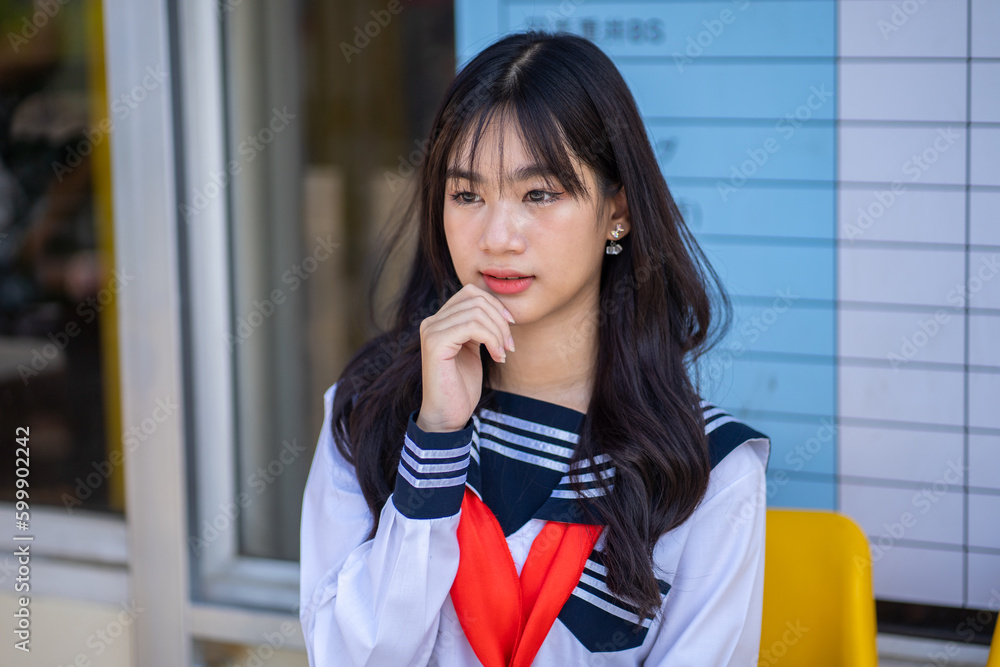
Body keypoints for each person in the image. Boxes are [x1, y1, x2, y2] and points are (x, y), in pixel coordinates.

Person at [299, 29, 771, 666]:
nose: (497, 235)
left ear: (618, 213)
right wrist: (435, 439)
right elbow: (349, 658)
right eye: (467, 194)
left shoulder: (705, 469)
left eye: (539, 194)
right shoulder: (367, 414)